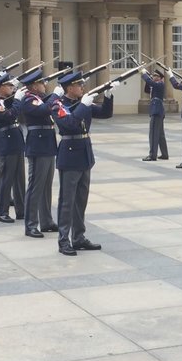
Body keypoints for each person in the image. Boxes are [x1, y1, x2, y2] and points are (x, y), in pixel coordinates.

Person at [51, 71, 113, 256]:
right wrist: (84, 105)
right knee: (67, 201)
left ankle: (78, 237)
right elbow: (69, 123)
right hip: (69, 156)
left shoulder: (83, 103)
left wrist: (108, 95)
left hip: (84, 154)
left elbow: (105, 113)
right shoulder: (58, 105)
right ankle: (63, 240)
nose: (83, 88)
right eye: (79, 85)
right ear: (70, 87)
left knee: (81, 200)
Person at [16, 68, 62, 238]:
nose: (44, 85)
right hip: (38, 146)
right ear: (34, 86)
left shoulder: (39, 98)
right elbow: (44, 110)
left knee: (46, 185)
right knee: (35, 186)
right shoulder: (29, 100)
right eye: (42, 83)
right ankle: (30, 224)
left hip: (48, 145)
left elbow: (48, 104)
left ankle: (46, 221)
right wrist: (56, 96)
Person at [0, 73, 25, 224]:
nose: (11, 88)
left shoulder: (6, 101)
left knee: (19, 179)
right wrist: (17, 99)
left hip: (16, 141)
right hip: (7, 143)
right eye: (8, 86)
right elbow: (10, 115)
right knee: (6, 179)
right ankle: (2, 212)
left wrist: (16, 98)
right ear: (0, 87)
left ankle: (21, 209)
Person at [139, 68, 169, 161]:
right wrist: (149, 78)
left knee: (153, 133)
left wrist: (144, 74)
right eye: (153, 76)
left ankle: (152, 155)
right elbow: (147, 90)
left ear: (160, 78)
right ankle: (164, 154)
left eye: (155, 76)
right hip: (156, 110)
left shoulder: (160, 84)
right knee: (160, 134)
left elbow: (151, 83)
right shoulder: (155, 84)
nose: (154, 77)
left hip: (156, 110)